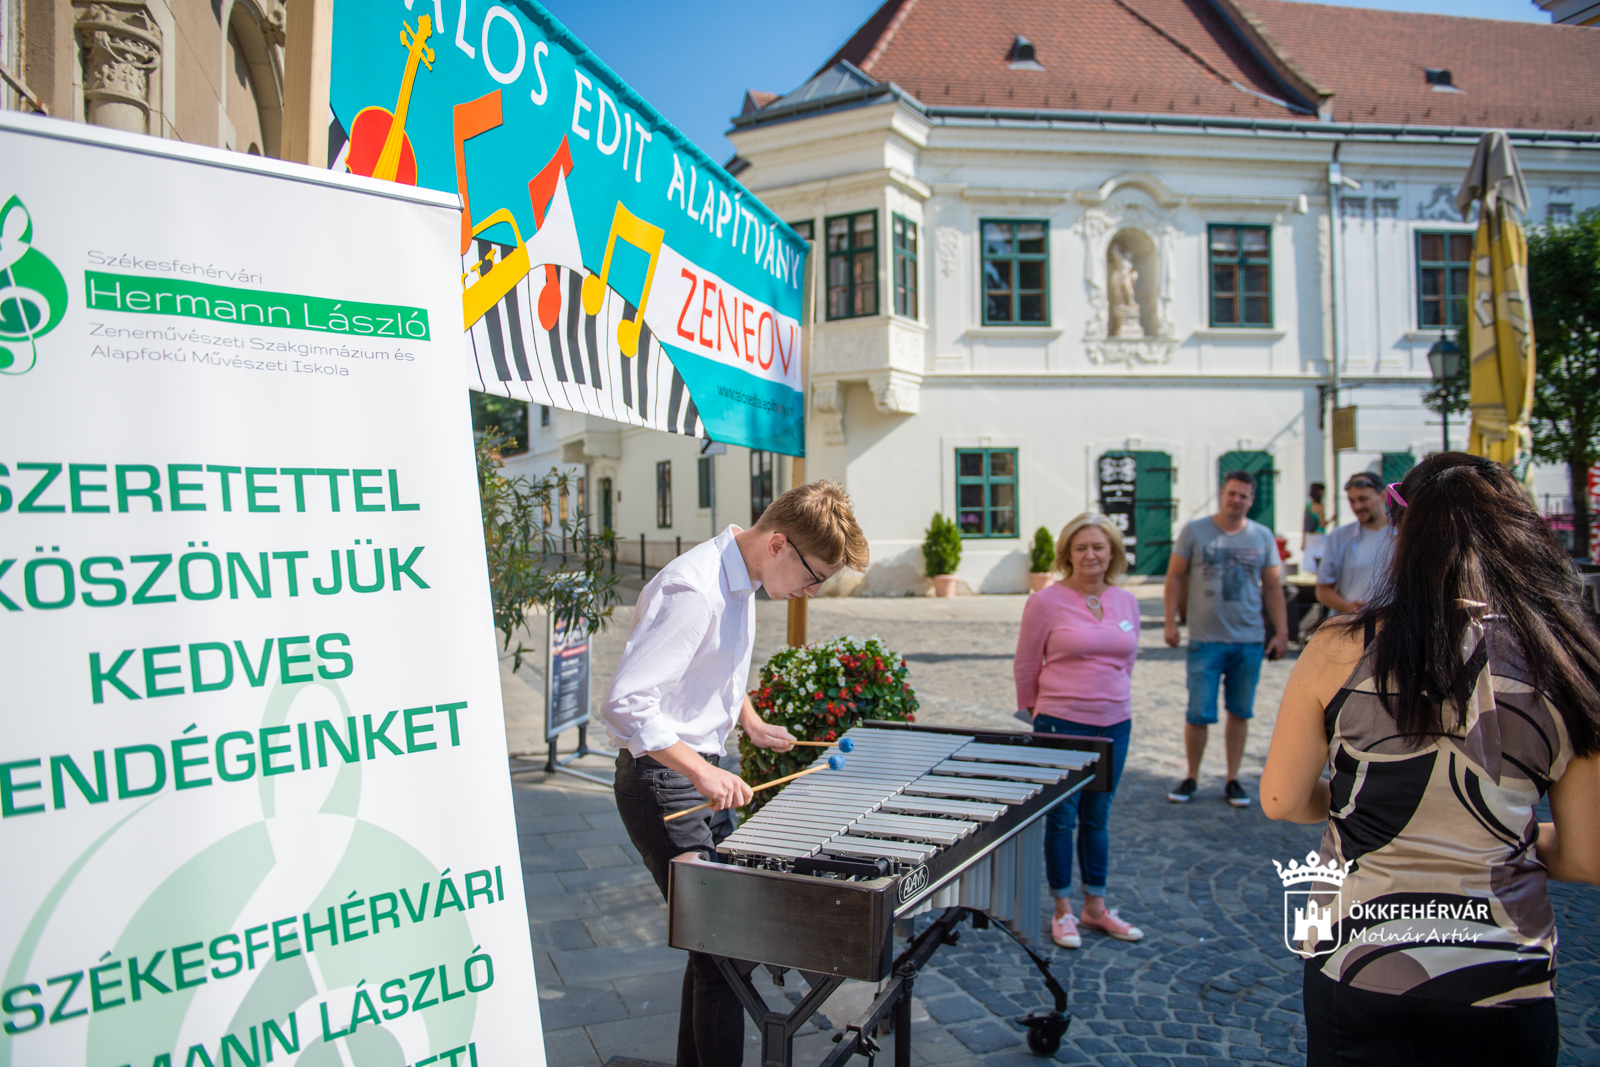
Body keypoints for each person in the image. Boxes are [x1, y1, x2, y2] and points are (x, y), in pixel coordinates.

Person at [1260, 453, 1600, 1067]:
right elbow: (1586, 855)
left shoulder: (1342, 646)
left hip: (1356, 956)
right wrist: (1495, 831)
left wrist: (1358, 803)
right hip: (1502, 969)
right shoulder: (1566, 655)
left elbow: (1282, 799)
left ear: (1403, 535)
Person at [602, 481, 870, 1067]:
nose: (810, 592)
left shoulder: (741, 575)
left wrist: (748, 720)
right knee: (726, 951)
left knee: (716, 950)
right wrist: (701, 770)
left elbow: (710, 667)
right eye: (814, 577)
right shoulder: (693, 590)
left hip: (698, 772)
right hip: (662, 785)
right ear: (778, 544)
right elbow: (625, 703)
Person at [1014, 513, 1144, 948]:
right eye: (1081, 547)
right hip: (1061, 722)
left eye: (1099, 547)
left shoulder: (1127, 601)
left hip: (1115, 722)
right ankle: (1062, 909)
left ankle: (1096, 907)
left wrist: (1109, 699)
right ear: (1068, 554)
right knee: (1061, 818)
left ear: (1113, 552)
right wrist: (1042, 716)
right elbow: (1026, 666)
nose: (1091, 555)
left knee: (1097, 816)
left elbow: (1127, 661)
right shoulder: (1045, 602)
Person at [1163, 470, 1288, 807]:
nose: (1237, 500)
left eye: (1243, 496)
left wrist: (1281, 632)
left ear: (1251, 500)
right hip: (1205, 639)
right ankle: (1191, 776)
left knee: (1240, 711)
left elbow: (1273, 586)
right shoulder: (1195, 530)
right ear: (1222, 493)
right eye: (1232, 493)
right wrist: (1171, 621)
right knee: (1198, 712)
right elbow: (1175, 577)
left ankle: (1233, 778)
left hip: (1248, 639)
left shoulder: (1262, 536)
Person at [1314, 472, 1395, 616]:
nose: (1358, 506)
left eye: (1363, 499)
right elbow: (1323, 590)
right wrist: (1349, 608)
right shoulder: (1339, 537)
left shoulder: (1402, 534)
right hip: (1351, 624)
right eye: (1352, 501)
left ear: (1383, 496)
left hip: (1394, 624)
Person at [1303, 482, 1327, 569]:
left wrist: (1302, 541)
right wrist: (1332, 518)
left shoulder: (1308, 505)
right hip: (1319, 535)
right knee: (1321, 559)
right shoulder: (1320, 506)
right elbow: (1322, 524)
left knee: (1310, 559)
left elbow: (1304, 523)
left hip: (1309, 536)